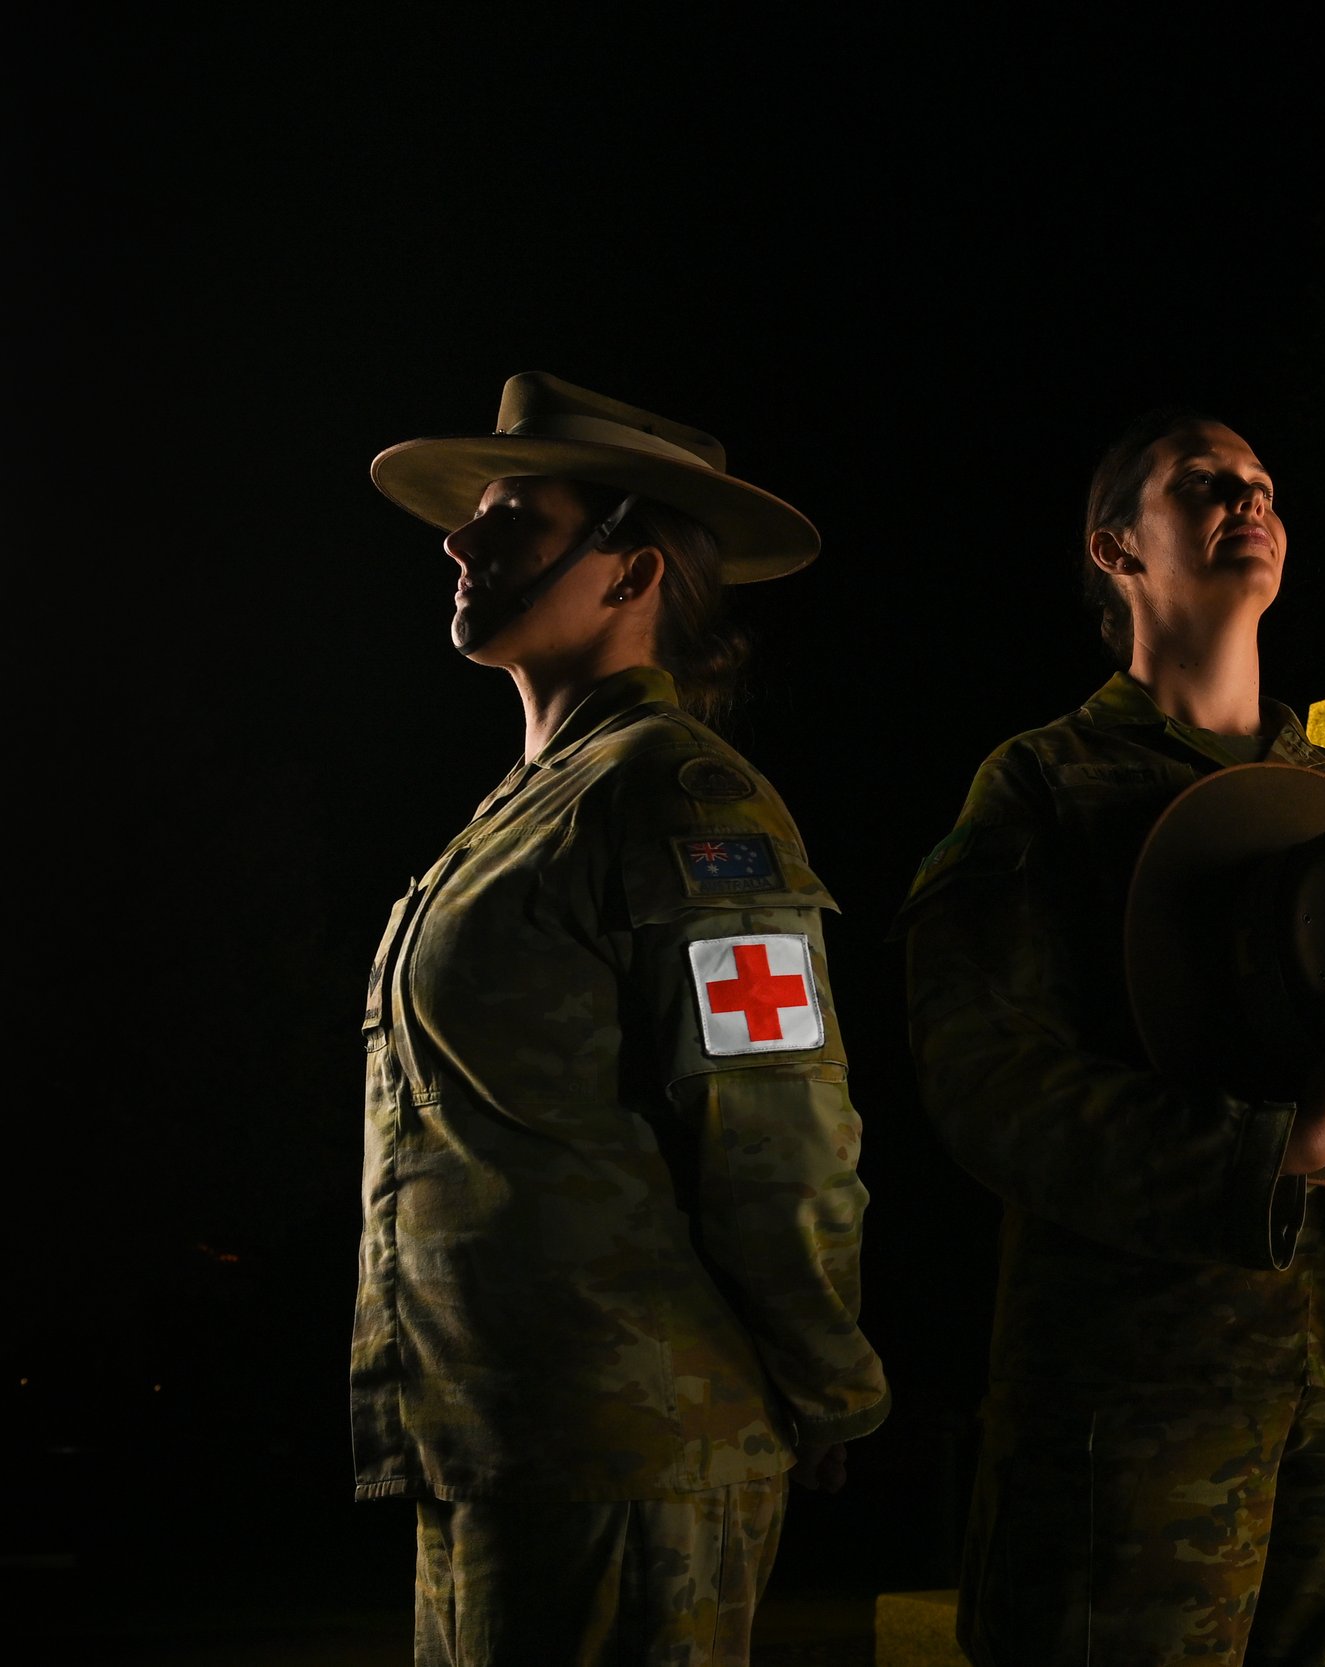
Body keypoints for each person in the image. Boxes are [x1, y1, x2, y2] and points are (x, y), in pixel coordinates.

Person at [901, 409, 1325, 1665]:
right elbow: (984, 1076)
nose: (1246, 499)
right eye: (1203, 482)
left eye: (1263, 483)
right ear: (1115, 549)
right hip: (1144, 1394)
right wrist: (1267, 1148)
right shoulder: (1043, 786)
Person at [357, 373, 888, 1665]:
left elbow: (776, 1118)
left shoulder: (684, 795)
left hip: (628, 1452)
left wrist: (825, 1377)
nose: (458, 543)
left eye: (513, 520)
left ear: (630, 568)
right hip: (503, 1444)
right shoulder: (524, 809)